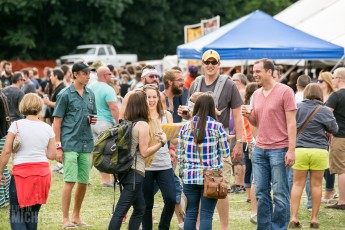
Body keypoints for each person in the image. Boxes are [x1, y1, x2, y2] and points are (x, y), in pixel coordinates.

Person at [179, 49, 243, 230]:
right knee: (206, 207)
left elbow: (238, 115)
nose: (210, 66)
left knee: (220, 192)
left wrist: (239, 141)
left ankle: (224, 227)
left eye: (214, 62)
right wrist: (185, 116)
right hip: (211, 151)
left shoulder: (229, 84)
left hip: (202, 158)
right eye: (207, 62)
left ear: (219, 65)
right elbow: (191, 116)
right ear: (202, 64)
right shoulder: (195, 84)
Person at [242, 58, 297, 230]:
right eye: (253, 71)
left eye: (258, 71)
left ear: (269, 72)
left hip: (279, 149)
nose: (254, 74)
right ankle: (264, 227)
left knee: (280, 194)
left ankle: (279, 227)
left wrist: (291, 150)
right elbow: (257, 122)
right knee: (260, 193)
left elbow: (291, 123)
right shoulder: (256, 95)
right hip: (260, 149)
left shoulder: (285, 91)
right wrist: (248, 115)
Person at [108, 90, 167, 230]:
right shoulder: (143, 125)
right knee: (120, 211)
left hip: (124, 171)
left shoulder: (125, 122)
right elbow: (144, 152)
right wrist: (162, 143)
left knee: (140, 208)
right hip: (135, 173)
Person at [0, 93, 56, 229]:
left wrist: (0, 171)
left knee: (17, 213)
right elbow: (52, 155)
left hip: (22, 174)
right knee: (32, 214)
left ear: (22, 106)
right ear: (39, 107)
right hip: (42, 173)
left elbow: (7, 151)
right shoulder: (48, 128)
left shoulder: (16, 125)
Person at [53, 62, 97, 229]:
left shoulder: (90, 93)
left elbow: (93, 115)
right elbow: (56, 123)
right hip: (69, 143)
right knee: (69, 181)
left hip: (86, 143)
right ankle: (65, 219)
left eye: (89, 73)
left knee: (83, 182)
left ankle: (76, 215)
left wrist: (92, 119)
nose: (88, 76)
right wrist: (58, 146)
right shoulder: (64, 94)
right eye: (85, 73)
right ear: (76, 74)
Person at [177, 93, 230, 230]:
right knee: (206, 214)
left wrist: (183, 172)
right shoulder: (217, 127)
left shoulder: (185, 127)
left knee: (191, 213)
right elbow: (225, 153)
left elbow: (180, 154)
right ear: (213, 108)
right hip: (211, 176)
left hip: (189, 176)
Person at [290, 83, 338, 228]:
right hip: (319, 151)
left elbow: (289, 125)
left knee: (297, 184)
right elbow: (334, 129)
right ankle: (314, 218)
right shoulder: (324, 110)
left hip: (300, 150)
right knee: (316, 185)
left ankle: (294, 216)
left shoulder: (297, 107)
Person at [141, 84, 177, 230]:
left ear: (159, 98)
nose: (151, 100)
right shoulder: (141, 116)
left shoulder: (166, 115)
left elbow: (173, 139)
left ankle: (164, 227)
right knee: (147, 203)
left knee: (171, 198)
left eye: (154, 97)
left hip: (164, 164)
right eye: (148, 97)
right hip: (146, 165)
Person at [89, 66, 120, 187]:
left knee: (94, 152)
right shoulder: (108, 89)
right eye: (110, 74)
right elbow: (113, 107)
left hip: (92, 122)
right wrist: (119, 123)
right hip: (105, 123)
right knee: (109, 152)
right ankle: (108, 181)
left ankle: (86, 179)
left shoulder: (90, 87)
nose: (111, 76)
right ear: (105, 76)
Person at [325, 67, 345, 210]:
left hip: (339, 136)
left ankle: (342, 201)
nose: (332, 80)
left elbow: (326, 116)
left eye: (333, 77)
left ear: (338, 78)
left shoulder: (335, 96)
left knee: (341, 170)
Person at [317, 71, 338, 202]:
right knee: (323, 162)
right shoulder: (318, 96)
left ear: (327, 82)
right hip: (320, 133)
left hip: (331, 132)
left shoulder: (333, 96)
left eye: (320, 81)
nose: (318, 83)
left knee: (328, 163)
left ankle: (329, 189)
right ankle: (330, 189)